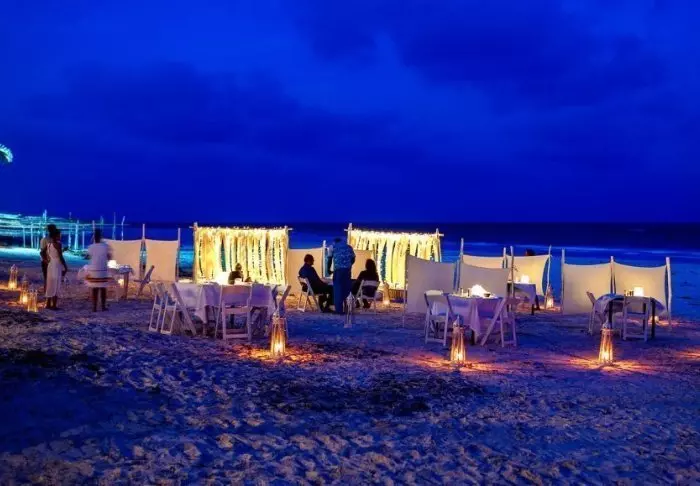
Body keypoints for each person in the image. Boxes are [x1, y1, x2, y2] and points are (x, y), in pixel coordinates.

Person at [85, 229, 112, 312]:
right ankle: (103, 306)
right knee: (103, 288)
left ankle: (94, 307)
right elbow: (109, 257)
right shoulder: (105, 246)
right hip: (102, 269)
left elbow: (87, 257)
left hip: (94, 270)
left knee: (95, 289)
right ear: (101, 237)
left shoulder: (91, 247)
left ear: (94, 237)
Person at [330, 238, 355, 314]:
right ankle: (347, 309)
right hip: (347, 271)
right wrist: (349, 265)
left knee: (338, 290)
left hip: (338, 271)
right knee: (346, 289)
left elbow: (329, 259)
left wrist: (328, 269)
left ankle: (339, 310)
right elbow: (353, 258)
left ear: (335, 242)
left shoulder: (333, 247)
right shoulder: (349, 247)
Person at [45, 229, 68, 310]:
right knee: (56, 283)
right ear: (56, 236)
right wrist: (65, 266)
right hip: (56, 265)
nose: (60, 236)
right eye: (59, 235)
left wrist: (63, 250)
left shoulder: (49, 244)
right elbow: (60, 257)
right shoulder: (58, 244)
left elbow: (53, 254)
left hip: (51, 265)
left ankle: (48, 304)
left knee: (50, 283)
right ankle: (54, 305)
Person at [39, 224, 57, 290]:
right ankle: (47, 292)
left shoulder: (46, 240)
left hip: (50, 261)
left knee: (49, 278)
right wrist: (46, 261)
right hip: (47, 262)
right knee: (47, 278)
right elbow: (42, 252)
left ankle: (48, 292)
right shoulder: (46, 240)